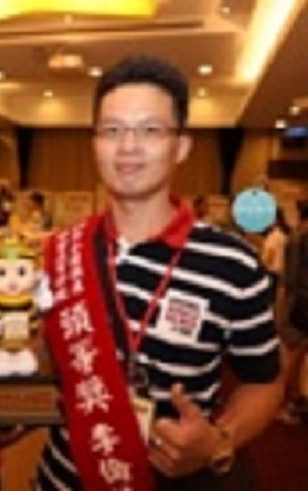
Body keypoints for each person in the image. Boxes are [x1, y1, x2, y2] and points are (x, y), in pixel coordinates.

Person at [36, 55, 283, 491]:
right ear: (95, 144)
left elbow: (264, 381)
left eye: (150, 130)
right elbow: (49, 363)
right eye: (112, 130)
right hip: (62, 478)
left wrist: (219, 441)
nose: (128, 146)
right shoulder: (58, 252)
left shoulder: (235, 264)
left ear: (182, 146)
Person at [278, 200, 308, 423]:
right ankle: (291, 401)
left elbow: (289, 279)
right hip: (301, 301)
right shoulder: (298, 238)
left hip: (299, 301)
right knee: (297, 355)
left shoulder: (296, 237)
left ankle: (291, 400)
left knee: (293, 354)